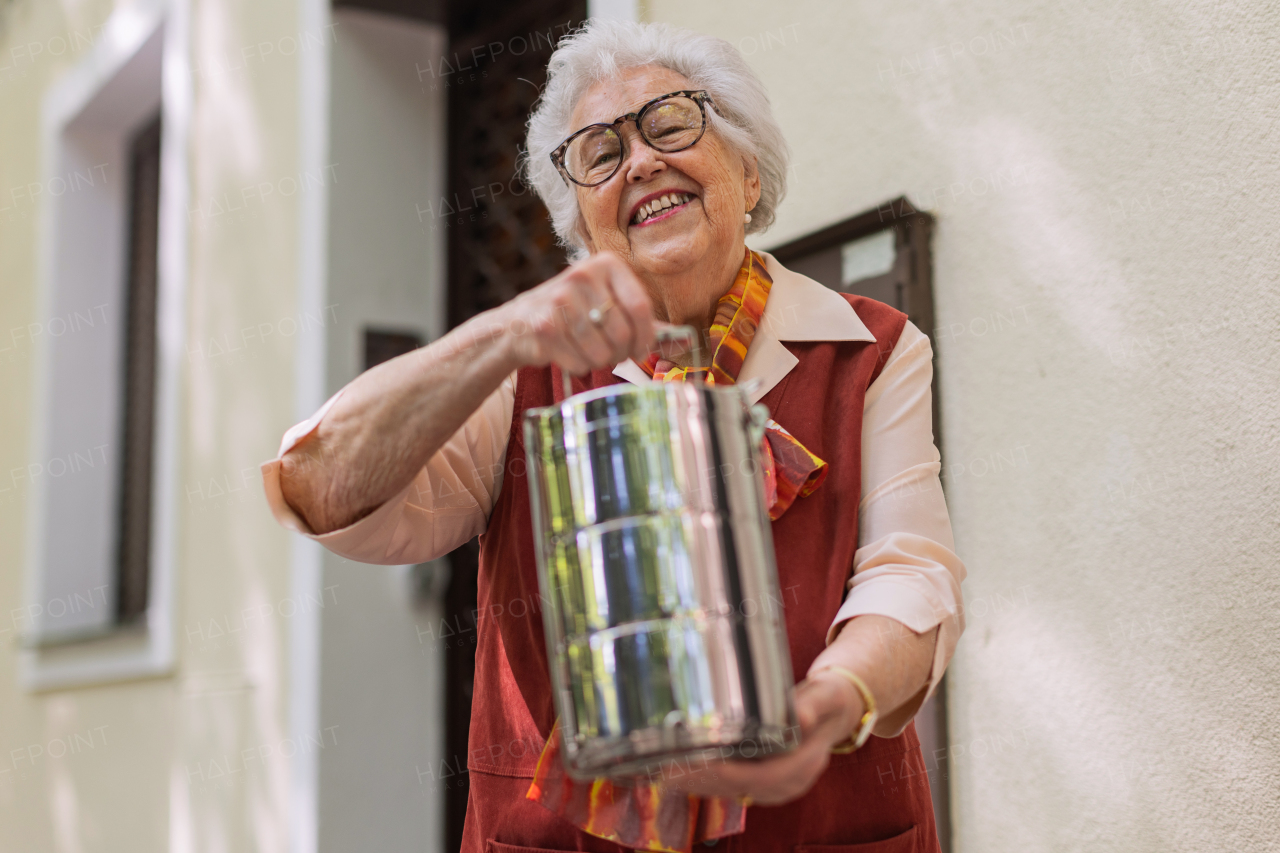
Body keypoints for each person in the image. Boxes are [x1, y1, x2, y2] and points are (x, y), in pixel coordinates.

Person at [263, 19, 966, 853]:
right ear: (583, 224)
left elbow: (910, 577)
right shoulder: (526, 363)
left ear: (748, 173)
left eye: (670, 123)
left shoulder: (872, 350)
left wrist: (832, 703)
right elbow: (323, 486)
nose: (639, 161)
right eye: (599, 153)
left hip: (821, 827)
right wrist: (499, 333)